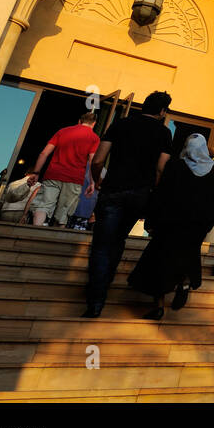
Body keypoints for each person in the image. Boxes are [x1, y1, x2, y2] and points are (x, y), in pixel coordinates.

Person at [82, 91, 173, 318]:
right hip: (140, 194)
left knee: (102, 244)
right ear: (162, 111)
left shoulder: (120, 124)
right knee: (119, 238)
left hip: (114, 189)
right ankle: (107, 278)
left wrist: (97, 179)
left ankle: (96, 299)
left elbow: (99, 159)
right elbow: (161, 168)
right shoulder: (163, 133)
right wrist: (154, 190)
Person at [128, 133, 214, 320]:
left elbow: (161, 194)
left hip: (170, 224)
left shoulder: (176, 166)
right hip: (196, 226)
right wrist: (207, 223)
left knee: (160, 263)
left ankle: (159, 306)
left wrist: (151, 220)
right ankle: (185, 283)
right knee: (189, 256)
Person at [29, 111, 100, 227]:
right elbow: (92, 161)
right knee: (64, 211)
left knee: (43, 205)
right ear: (94, 124)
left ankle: (35, 229)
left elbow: (44, 153)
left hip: (53, 174)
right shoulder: (94, 138)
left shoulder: (62, 131)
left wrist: (36, 172)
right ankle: (55, 240)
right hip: (74, 179)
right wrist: (92, 182)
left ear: (79, 121)